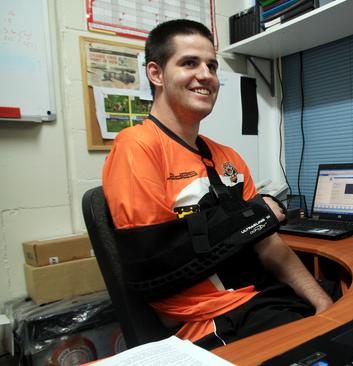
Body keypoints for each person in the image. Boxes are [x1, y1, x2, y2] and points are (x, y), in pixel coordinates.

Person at [102, 19, 333, 349]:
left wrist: (322, 302)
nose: (206, 75)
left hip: (260, 296)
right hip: (212, 320)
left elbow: (268, 244)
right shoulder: (136, 146)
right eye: (189, 63)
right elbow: (156, 265)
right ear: (156, 74)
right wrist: (252, 217)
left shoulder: (227, 158)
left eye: (211, 65)